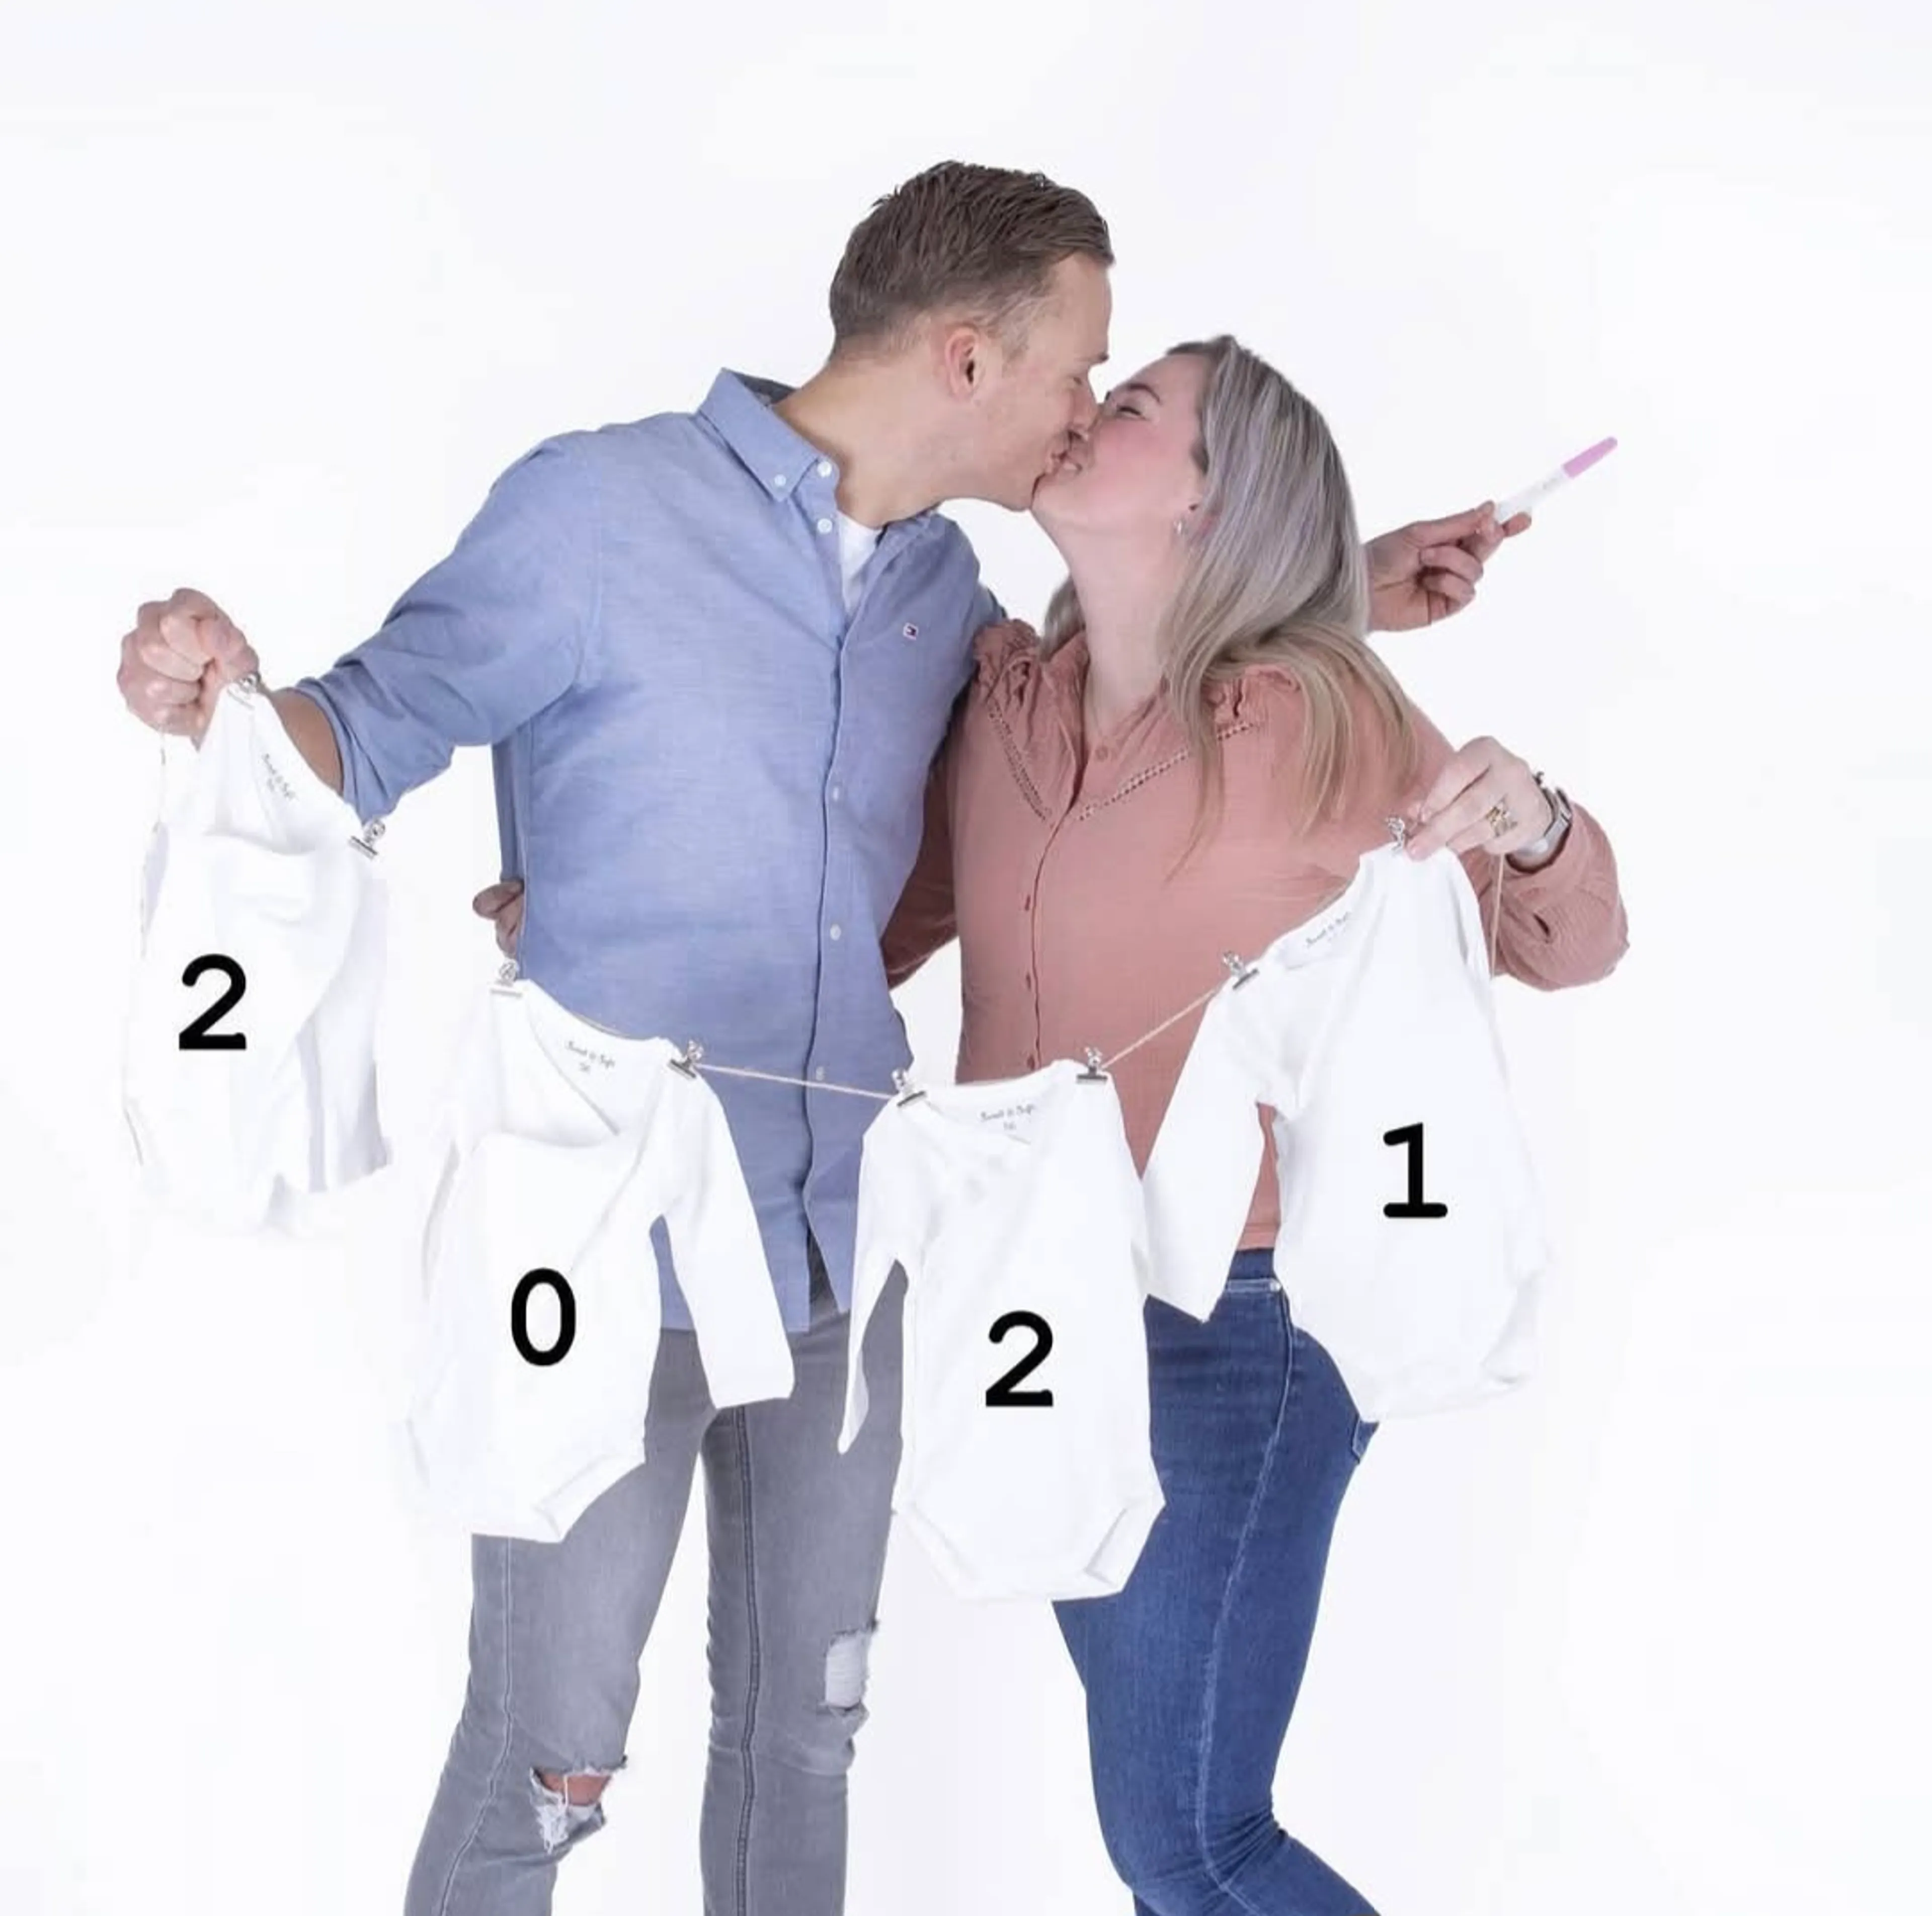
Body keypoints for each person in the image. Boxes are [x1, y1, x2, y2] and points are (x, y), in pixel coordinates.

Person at [116, 161, 1531, 1916]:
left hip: (845, 1261)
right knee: (545, 1762)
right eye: (1082, 369)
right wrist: (217, 699)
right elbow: (363, 730)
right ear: (969, 360)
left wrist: (1337, 580)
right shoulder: (596, 513)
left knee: (806, 1738)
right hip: (601, 1243)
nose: (1086, 408)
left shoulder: (947, 598)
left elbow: (1140, 666)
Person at [864, 337, 1629, 1914]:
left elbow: (1570, 946)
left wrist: (1535, 820)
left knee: (1193, 1843)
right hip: (1031, 1304)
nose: (1089, 410)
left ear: (1210, 504)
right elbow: (877, 931)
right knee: (1169, 1837)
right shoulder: (1002, 705)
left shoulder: (1319, 717)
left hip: (1239, 1329)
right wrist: (618, 940)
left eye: (1135, 405)